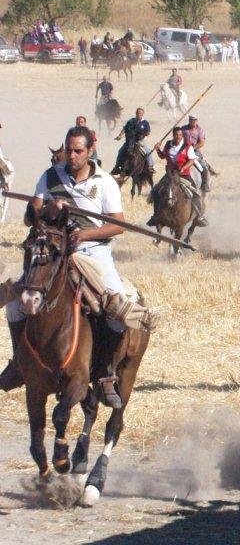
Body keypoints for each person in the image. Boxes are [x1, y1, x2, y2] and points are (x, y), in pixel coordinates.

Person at [1, 127, 162, 404]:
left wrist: (84, 234)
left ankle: (106, 372)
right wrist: (49, 210)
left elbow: (116, 225)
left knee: (116, 307)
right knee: (17, 300)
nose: (72, 156)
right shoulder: (50, 176)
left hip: (91, 251)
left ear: (89, 152)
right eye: (69, 149)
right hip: (52, 251)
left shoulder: (104, 182)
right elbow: (33, 217)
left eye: (78, 151)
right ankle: (19, 363)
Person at [155, 126, 207, 228]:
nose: (178, 137)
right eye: (176, 135)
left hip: (184, 175)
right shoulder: (168, 145)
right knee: (156, 191)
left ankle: (199, 216)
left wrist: (184, 168)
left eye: (180, 135)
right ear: (173, 135)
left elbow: (192, 160)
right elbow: (162, 156)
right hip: (170, 175)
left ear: (182, 135)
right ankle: (156, 215)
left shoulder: (187, 146)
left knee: (194, 194)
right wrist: (157, 150)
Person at [112, 107, 150, 175]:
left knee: (147, 151)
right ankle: (117, 167)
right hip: (130, 140)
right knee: (120, 150)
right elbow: (124, 129)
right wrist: (120, 135)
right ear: (136, 113)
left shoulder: (145, 123)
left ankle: (150, 167)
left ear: (143, 114)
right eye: (138, 113)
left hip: (139, 141)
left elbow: (148, 132)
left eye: (140, 113)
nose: (139, 114)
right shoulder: (131, 121)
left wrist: (143, 134)